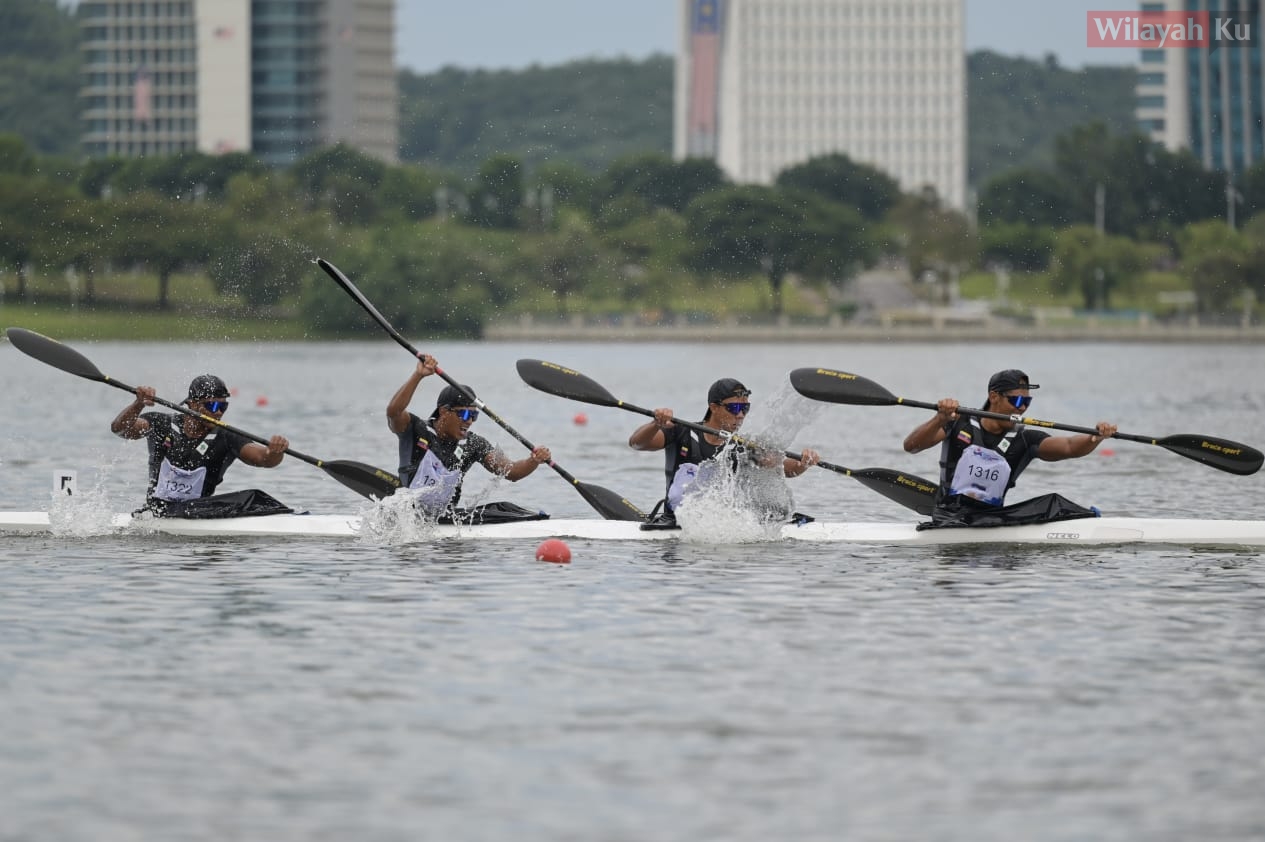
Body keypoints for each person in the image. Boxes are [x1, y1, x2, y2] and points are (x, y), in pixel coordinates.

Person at [902, 368, 1118, 528]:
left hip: (992, 518)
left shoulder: (1025, 439)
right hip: (948, 517)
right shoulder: (958, 422)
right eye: (1015, 401)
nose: (1022, 408)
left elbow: (1070, 447)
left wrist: (1094, 438)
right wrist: (939, 419)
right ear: (993, 396)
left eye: (1027, 402)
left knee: (1055, 503)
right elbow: (912, 446)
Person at [628, 377, 820, 529]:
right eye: (734, 408)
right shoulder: (682, 431)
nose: (740, 415)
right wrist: (655, 424)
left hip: (722, 525)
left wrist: (803, 463)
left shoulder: (742, 446)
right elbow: (637, 444)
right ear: (714, 407)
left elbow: (784, 469)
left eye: (745, 408)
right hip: (678, 521)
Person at [387, 355, 552, 522]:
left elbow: (511, 472)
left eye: (474, 415)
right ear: (444, 412)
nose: (469, 421)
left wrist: (533, 460)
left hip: (445, 517)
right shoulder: (416, 430)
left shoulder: (473, 444)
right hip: (409, 513)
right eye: (465, 413)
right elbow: (394, 412)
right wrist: (418, 375)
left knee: (505, 508)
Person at [111, 374, 290, 517]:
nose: (218, 412)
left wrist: (274, 452)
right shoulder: (161, 423)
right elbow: (120, 429)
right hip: (159, 510)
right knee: (252, 499)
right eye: (212, 406)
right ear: (193, 404)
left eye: (223, 407)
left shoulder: (226, 435)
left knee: (255, 496)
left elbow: (263, 459)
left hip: (198, 511)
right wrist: (138, 404)